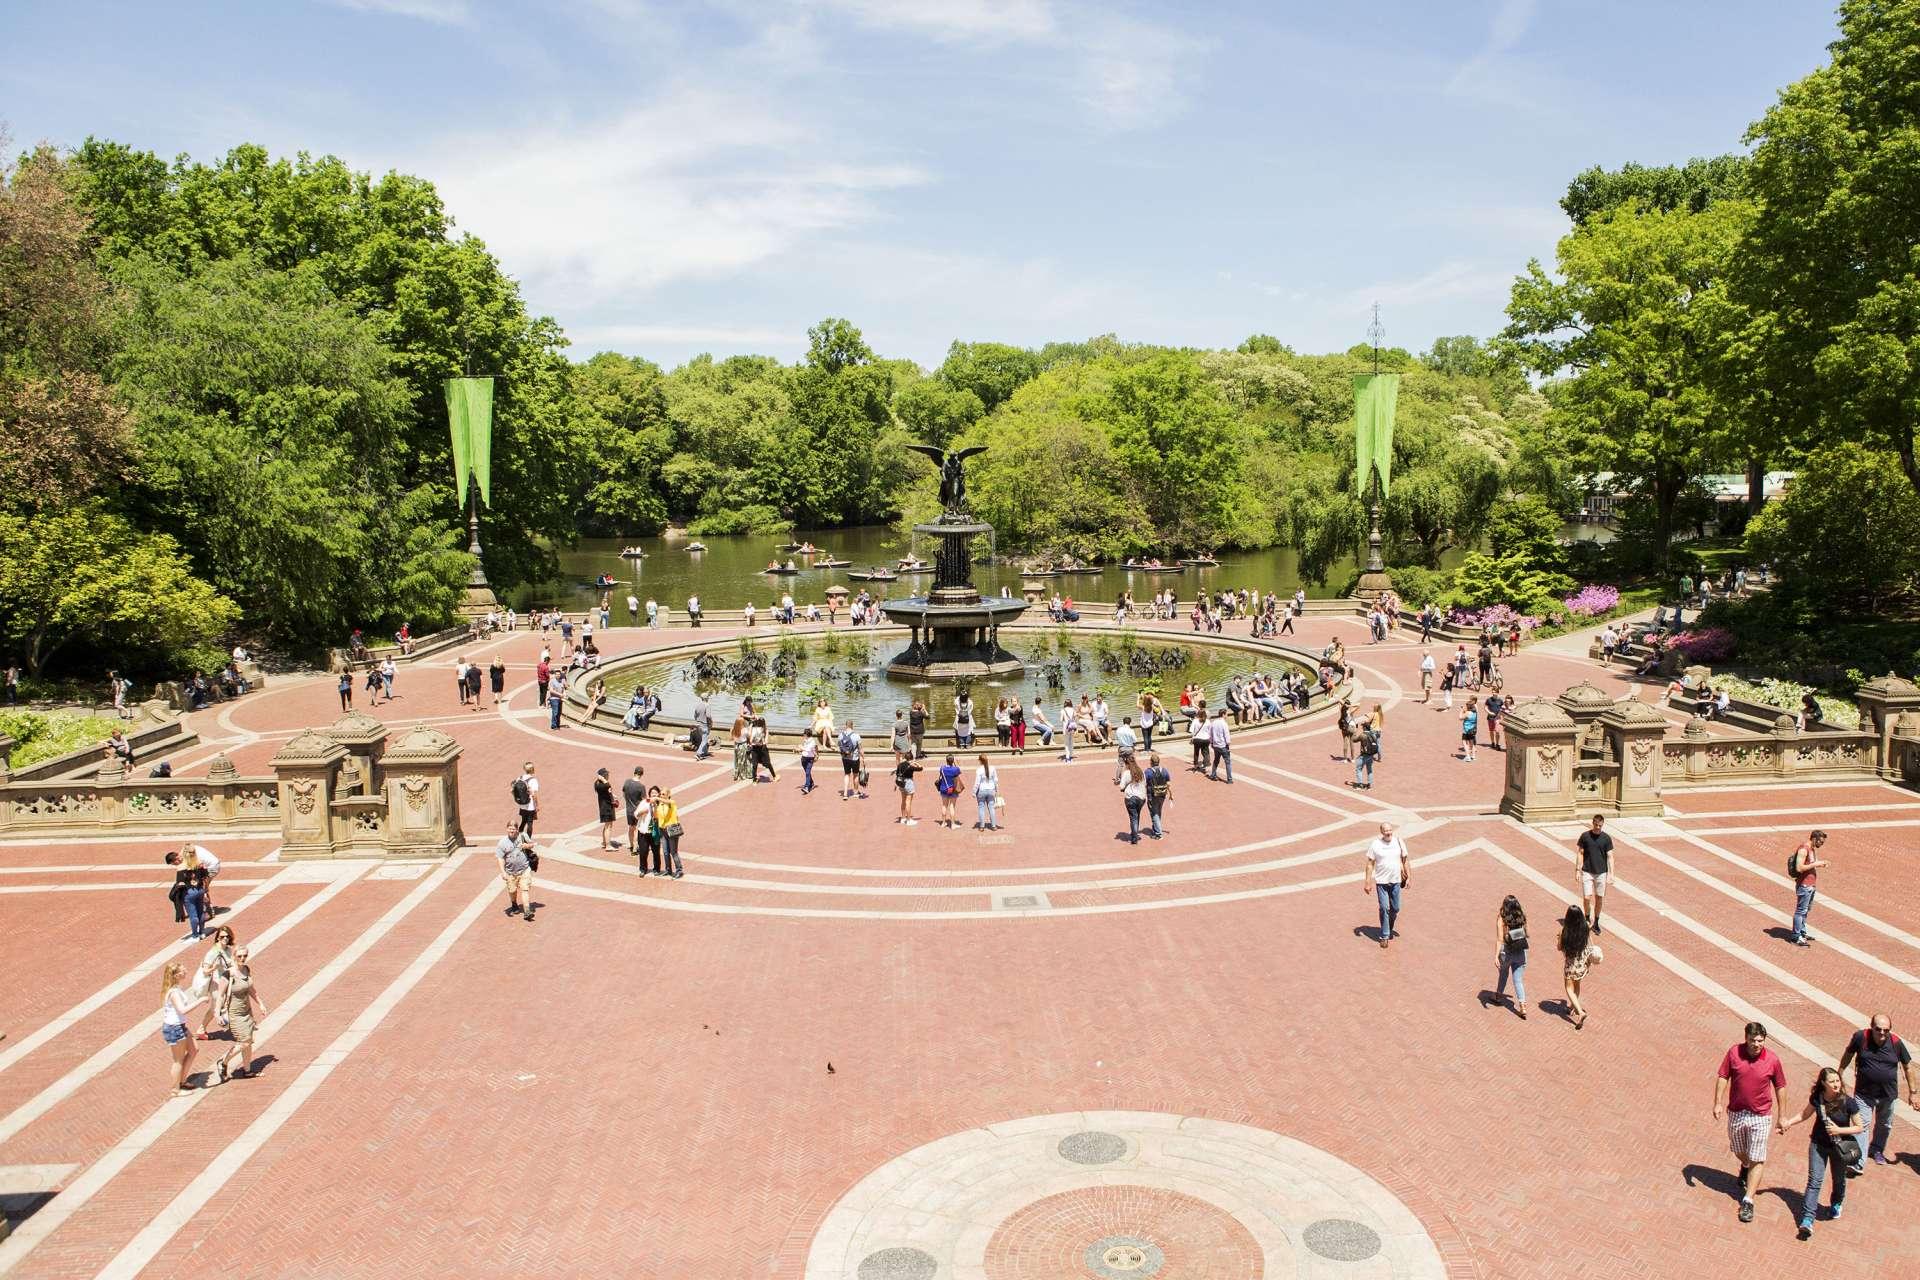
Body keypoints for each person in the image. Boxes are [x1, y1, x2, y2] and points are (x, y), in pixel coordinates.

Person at [1714, 1021, 1789, 1223]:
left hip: (1761, 1115)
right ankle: (1745, 1165)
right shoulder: (1734, 1053)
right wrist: (1718, 1103)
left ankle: (1748, 1200)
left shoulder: (1772, 1060)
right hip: (1737, 1112)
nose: (1757, 1045)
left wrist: (1782, 1115)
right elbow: (1723, 1076)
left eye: (1760, 1041)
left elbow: (1780, 1087)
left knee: (1758, 1155)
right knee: (1738, 1149)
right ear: (1745, 1038)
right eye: (1753, 1040)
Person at [1783, 1066, 1866, 1239]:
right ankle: (1807, 1220)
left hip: (1839, 1147)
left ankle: (1836, 1202)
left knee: (1838, 1179)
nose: (1836, 1084)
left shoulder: (1848, 1102)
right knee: (1814, 1181)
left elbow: (1860, 1127)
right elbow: (1804, 1114)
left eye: (1837, 1081)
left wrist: (1839, 1130)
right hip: (1818, 1145)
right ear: (1823, 1083)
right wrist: (1788, 1123)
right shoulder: (1818, 1098)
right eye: (1832, 1081)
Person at [1838, 1014, 1914, 1165]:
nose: (1882, 1033)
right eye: (1878, 1029)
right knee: (1862, 1125)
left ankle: (1877, 1149)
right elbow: (1848, 1054)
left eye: (1886, 1030)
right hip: (1864, 1093)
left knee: (1884, 1125)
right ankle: (1858, 1161)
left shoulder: (1896, 1043)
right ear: (1871, 1027)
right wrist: (1839, 1073)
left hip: (1888, 1094)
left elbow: (1908, 1067)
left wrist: (1913, 1093)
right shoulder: (1861, 1037)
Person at [214, 944, 268, 1083]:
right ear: (234, 957)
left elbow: (251, 990)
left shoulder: (246, 969)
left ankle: (247, 1070)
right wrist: (217, 1014)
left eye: (245, 956)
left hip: (247, 1012)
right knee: (244, 1041)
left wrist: (260, 1003)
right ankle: (223, 1061)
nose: (242, 958)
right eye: (239, 956)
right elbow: (220, 995)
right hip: (235, 1013)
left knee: (248, 1042)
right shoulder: (228, 974)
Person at [159, 961, 211, 1096]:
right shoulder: (174, 992)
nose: (185, 971)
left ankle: (182, 1080)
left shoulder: (176, 988)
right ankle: (175, 1090)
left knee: (194, 1049)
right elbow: (182, 1010)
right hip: (174, 1028)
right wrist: (200, 1001)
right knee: (178, 1060)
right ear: (176, 975)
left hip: (180, 1026)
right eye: (182, 970)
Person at [1362, 822, 1409, 948]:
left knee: (1395, 908)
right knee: (1384, 907)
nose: (1388, 832)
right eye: (1385, 831)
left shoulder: (1398, 842)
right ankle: (1385, 935)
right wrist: (1367, 882)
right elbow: (1370, 864)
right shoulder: (1375, 844)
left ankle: (1388, 923)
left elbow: (1405, 860)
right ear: (1381, 832)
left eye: (1390, 830)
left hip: (1396, 881)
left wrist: (1409, 877)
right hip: (1381, 882)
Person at [1557, 906, 1601, 1029]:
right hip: (1582, 963)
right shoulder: (1585, 927)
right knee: (1577, 985)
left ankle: (1580, 1012)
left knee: (1568, 987)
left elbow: (1559, 947)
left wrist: (1558, 938)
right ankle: (1572, 1006)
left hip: (1570, 964)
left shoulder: (1564, 930)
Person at [1788, 830, 1829, 946]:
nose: (1821, 844)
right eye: (1820, 841)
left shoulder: (1811, 850)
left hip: (1810, 885)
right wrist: (1815, 864)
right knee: (1800, 911)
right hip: (1804, 885)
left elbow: (1810, 864)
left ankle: (1802, 931)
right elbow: (1799, 867)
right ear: (1814, 838)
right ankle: (1796, 937)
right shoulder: (1803, 849)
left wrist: (1819, 864)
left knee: (1805, 911)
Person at [1575, 813, 1614, 934]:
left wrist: (1611, 874)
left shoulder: (1606, 838)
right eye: (1596, 825)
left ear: (1602, 825)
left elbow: (1610, 856)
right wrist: (1577, 870)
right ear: (1593, 823)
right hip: (1587, 871)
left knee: (1599, 898)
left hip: (1601, 872)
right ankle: (1587, 918)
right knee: (1587, 897)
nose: (1598, 827)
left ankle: (1596, 921)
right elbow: (1580, 853)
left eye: (1600, 826)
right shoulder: (1585, 836)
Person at [1492, 895, 1529, 1018]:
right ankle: (1522, 1005)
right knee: (1518, 980)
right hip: (1520, 952)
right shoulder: (1521, 917)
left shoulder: (1502, 919)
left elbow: (1499, 939)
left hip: (1506, 952)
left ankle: (1498, 995)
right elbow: (1526, 934)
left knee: (1503, 973)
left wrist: (1496, 956)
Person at [496, 819, 535, 922]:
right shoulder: (502, 843)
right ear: (506, 829)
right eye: (510, 829)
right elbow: (500, 858)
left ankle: (527, 911)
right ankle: (514, 903)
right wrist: (503, 872)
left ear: (517, 830)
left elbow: (533, 844)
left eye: (513, 829)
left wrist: (527, 846)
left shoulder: (523, 836)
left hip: (524, 869)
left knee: (525, 889)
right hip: (510, 872)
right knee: (512, 890)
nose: (511, 831)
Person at [652, 788, 683, 878]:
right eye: (661, 794)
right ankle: (668, 869)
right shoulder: (660, 805)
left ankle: (679, 870)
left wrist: (657, 799)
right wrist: (654, 805)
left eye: (664, 794)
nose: (662, 796)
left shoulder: (671, 803)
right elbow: (656, 817)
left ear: (668, 795)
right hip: (662, 830)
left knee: (673, 852)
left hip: (671, 829)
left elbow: (670, 803)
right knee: (665, 852)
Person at [622, 765, 650, 865]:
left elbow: (624, 794)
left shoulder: (627, 782)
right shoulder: (641, 786)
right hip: (637, 810)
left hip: (628, 809)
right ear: (641, 774)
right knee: (637, 829)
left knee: (630, 828)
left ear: (634, 772)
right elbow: (644, 799)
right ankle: (634, 849)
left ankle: (630, 844)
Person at [1143, 752, 1171, 838]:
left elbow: (1144, 783)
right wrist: (1170, 794)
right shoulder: (1164, 770)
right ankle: (1156, 828)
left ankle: (1158, 834)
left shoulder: (1148, 772)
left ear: (1151, 762)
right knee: (1159, 811)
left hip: (1152, 795)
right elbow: (1169, 783)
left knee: (1154, 813)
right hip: (1162, 794)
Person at [838, 721, 866, 800]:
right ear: (852, 726)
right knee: (856, 775)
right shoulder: (856, 736)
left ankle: (845, 793)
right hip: (854, 758)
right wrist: (863, 758)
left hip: (845, 758)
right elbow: (860, 749)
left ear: (846, 725)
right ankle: (856, 792)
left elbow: (840, 747)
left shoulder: (840, 735)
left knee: (847, 775)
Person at [893, 751, 923, 825]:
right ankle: (909, 820)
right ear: (911, 758)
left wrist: (895, 785)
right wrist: (915, 763)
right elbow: (921, 768)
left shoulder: (900, 765)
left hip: (901, 783)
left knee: (903, 801)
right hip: (908, 783)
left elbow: (897, 774)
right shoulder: (911, 766)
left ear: (905, 758)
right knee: (908, 802)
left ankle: (903, 818)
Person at [935, 753, 963, 828]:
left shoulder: (942, 768)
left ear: (946, 760)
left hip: (944, 788)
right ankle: (953, 824)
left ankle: (943, 823)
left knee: (944, 805)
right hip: (953, 789)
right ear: (953, 761)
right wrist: (956, 763)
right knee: (952, 806)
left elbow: (941, 775)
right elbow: (959, 772)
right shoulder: (955, 769)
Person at [512, 762, 540, 838]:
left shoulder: (520, 778)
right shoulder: (533, 780)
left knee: (523, 821)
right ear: (532, 769)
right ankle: (528, 843)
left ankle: (518, 837)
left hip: (522, 804)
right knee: (530, 824)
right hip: (530, 805)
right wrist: (537, 806)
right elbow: (534, 795)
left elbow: (513, 790)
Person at [973, 755, 1000, 830]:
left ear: (980, 761)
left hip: (981, 790)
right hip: (991, 789)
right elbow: (995, 780)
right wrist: (996, 789)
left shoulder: (979, 770)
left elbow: (977, 783)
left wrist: (974, 792)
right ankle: (994, 825)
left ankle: (982, 826)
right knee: (991, 808)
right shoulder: (992, 768)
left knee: (981, 808)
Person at [594, 767, 618, 850]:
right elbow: (608, 785)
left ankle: (605, 842)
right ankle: (608, 845)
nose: (608, 775)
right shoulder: (603, 784)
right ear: (603, 776)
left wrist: (612, 795)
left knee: (606, 825)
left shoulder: (597, 784)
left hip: (604, 806)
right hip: (607, 807)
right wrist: (603, 779)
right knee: (609, 826)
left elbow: (606, 791)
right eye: (606, 774)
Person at [1353, 715, 1379, 790]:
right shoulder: (1373, 734)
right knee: (1369, 770)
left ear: (1364, 728)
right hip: (1371, 755)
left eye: (1362, 727)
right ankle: (1369, 785)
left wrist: (1355, 731)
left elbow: (1354, 740)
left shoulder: (1363, 735)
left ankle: (1360, 784)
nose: (1362, 728)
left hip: (1363, 755)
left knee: (1359, 769)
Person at [1207, 708, 1233, 783]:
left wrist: (1211, 743)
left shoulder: (1214, 722)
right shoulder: (1224, 724)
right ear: (1223, 714)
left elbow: (1210, 734)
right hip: (1223, 746)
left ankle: (1213, 774)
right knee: (1227, 762)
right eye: (1226, 714)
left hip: (1215, 745)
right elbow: (1226, 735)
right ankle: (1229, 779)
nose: (1227, 715)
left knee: (1216, 760)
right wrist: (1228, 744)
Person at [1458, 697, 1478, 762]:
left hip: (1466, 730)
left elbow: (1460, 718)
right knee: (1471, 743)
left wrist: (1461, 711)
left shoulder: (1467, 713)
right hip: (1473, 730)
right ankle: (1473, 756)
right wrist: (1464, 710)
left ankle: (1468, 756)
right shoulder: (1474, 713)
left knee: (1465, 743)